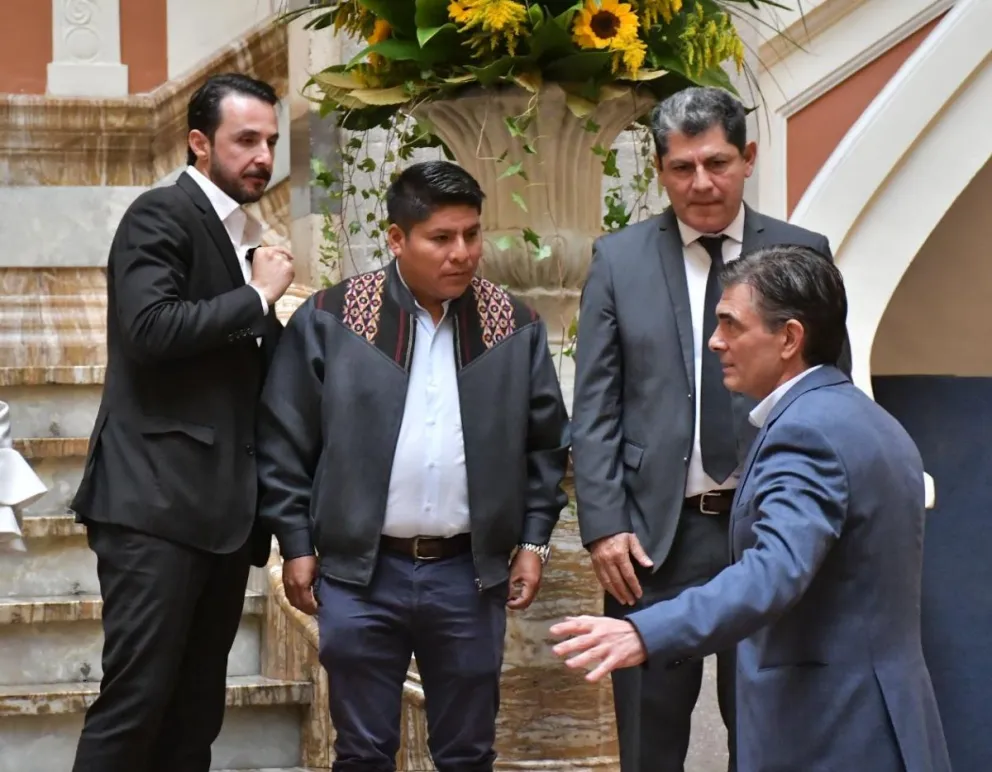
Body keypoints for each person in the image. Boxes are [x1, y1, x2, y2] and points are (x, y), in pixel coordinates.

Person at [553, 245, 951, 772]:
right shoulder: (865, 419)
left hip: (830, 731)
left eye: (730, 325)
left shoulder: (807, 433)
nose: (715, 342)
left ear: (788, 338)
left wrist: (645, 630)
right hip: (878, 720)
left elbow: (773, 571)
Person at [255, 160, 571, 772]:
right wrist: (296, 544)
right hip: (359, 575)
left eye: (472, 235)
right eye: (441, 238)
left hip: (468, 578)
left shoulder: (515, 327)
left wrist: (534, 543)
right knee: (364, 752)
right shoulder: (331, 319)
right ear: (397, 239)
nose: (462, 253)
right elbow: (284, 441)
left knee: (467, 753)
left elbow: (545, 447)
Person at [569, 85, 851, 772]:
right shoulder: (620, 259)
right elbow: (596, 403)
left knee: (768, 728)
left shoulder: (799, 252)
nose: (701, 182)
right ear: (660, 171)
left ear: (748, 157)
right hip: (652, 543)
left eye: (717, 162)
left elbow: (829, 392)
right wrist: (604, 523)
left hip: (771, 530)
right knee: (648, 736)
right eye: (682, 167)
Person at [69, 73, 294, 772]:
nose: (262, 156)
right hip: (155, 509)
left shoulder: (237, 236)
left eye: (272, 142)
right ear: (200, 143)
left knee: (194, 717)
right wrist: (258, 296)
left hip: (221, 518)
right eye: (246, 140)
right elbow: (149, 329)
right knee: (135, 707)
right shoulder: (160, 214)